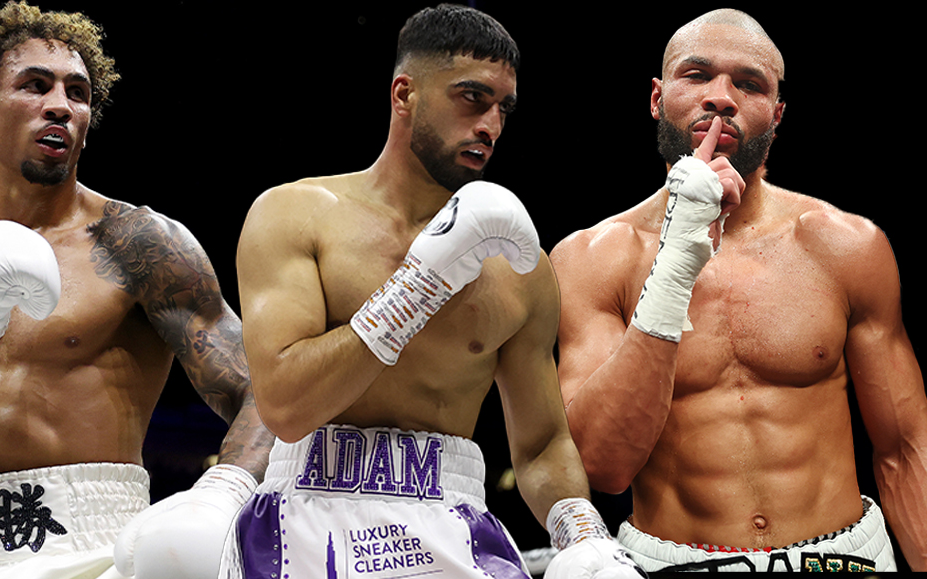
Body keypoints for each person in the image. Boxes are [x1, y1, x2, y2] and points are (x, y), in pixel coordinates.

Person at [0, 2, 272, 578]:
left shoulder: (135, 243)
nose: (61, 105)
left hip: (99, 550)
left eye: (78, 93)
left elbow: (265, 389)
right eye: (35, 86)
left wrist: (223, 492)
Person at [224, 5, 642, 579]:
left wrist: (583, 534)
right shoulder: (295, 216)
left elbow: (542, 444)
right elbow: (286, 406)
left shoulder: (520, 267)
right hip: (305, 516)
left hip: (452, 523)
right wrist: (421, 284)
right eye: (472, 98)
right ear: (405, 94)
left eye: (503, 108)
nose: (491, 126)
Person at [550, 8, 927, 572]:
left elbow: (904, 450)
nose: (721, 98)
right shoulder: (594, 259)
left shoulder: (846, 245)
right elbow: (603, 466)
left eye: (748, 84)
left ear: (776, 114)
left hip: (844, 558)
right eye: (697, 75)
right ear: (657, 98)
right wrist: (677, 258)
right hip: (677, 560)